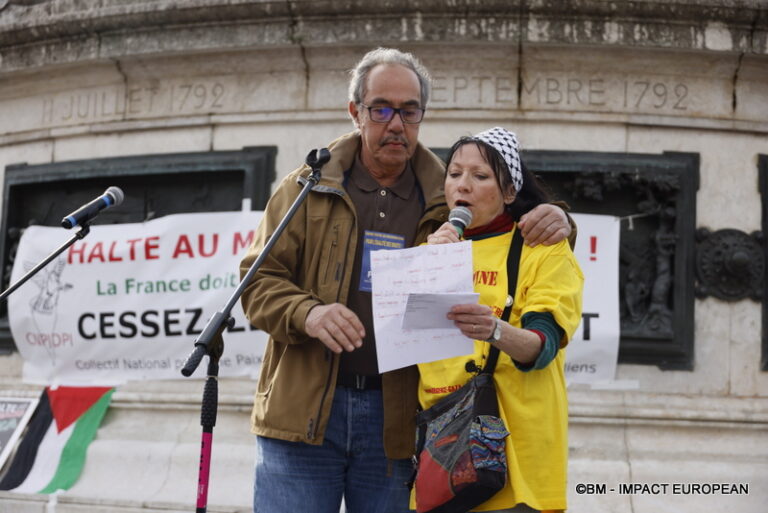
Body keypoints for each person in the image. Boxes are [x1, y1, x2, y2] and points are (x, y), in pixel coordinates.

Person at [239, 48, 573, 513]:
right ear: (355, 112)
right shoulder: (306, 187)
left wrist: (560, 218)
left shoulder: (447, 194)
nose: (396, 124)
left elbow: (509, 221)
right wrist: (308, 313)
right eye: (381, 109)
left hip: (398, 423)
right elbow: (256, 282)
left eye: (409, 111)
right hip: (302, 414)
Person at [417, 127, 584, 512]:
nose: (463, 185)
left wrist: (494, 330)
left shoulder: (543, 249)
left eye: (480, 176)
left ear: (509, 192)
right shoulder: (428, 249)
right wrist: (425, 266)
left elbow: (543, 347)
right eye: (454, 174)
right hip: (442, 449)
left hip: (519, 448)